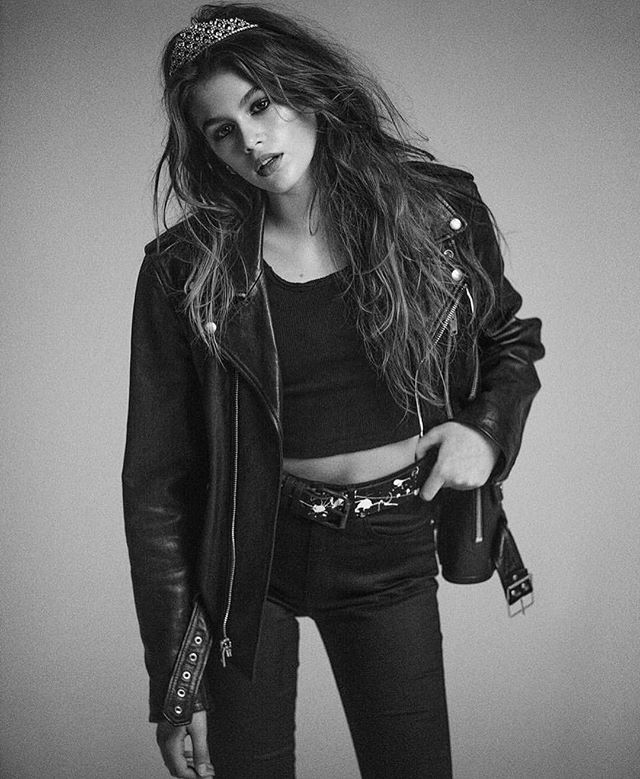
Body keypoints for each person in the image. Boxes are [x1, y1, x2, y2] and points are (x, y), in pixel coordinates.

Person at [122, 4, 544, 778]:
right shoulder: (184, 269)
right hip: (252, 556)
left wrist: (485, 431)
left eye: (261, 104)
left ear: (307, 89)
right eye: (222, 131)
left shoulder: (433, 211)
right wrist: (175, 686)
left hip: (389, 544)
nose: (251, 141)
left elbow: (508, 340)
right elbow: (156, 483)